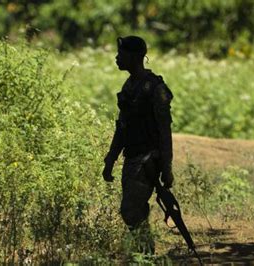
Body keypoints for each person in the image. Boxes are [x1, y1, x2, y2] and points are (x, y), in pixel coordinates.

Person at [102, 35, 174, 254]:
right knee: (133, 213)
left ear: (135, 56)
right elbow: (122, 126)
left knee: (131, 211)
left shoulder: (154, 88)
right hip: (132, 158)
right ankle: (144, 255)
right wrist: (110, 158)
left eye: (121, 53)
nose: (117, 57)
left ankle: (145, 255)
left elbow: (165, 130)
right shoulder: (129, 86)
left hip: (147, 160)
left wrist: (167, 167)